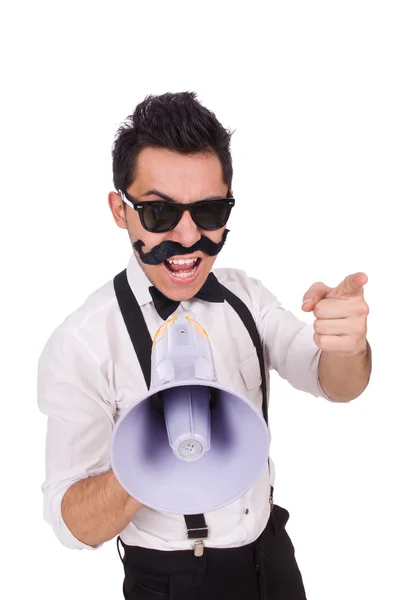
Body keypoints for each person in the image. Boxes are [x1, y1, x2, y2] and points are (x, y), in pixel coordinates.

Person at [37, 91, 371, 600]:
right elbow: (72, 524)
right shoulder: (82, 344)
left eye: (209, 210)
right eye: (158, 214)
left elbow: (335, 383)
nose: (189, 237)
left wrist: (348, 348)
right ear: (119, 210)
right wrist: (149, 456)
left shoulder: (245, 296)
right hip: (176, 580)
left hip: (271, 552)